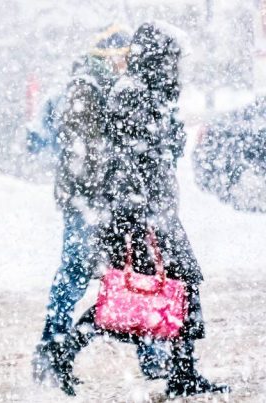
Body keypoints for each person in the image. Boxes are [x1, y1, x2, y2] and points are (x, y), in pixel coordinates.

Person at [48, 23, 230, 398]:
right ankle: (64, 357)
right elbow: (129, 160)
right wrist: (138, 214)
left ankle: (182, 371)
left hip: (154, 213)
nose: (177, 68)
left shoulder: (151, 93)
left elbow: (157, 153)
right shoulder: (132, 94)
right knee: (128, 297)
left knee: (172, 288)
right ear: (157, 60)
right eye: (172, 60)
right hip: (139, 217)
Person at [32, 24, 168, 383]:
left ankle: (152, 356)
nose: (128, 65)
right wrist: (111, 182)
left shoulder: (112, 88)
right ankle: (51, 351)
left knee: (136, 273)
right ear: (108, 57)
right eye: (123, 58)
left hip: (109, 201)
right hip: (89, 203)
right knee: (76, 273)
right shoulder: (86, 88)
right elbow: (84, 154)